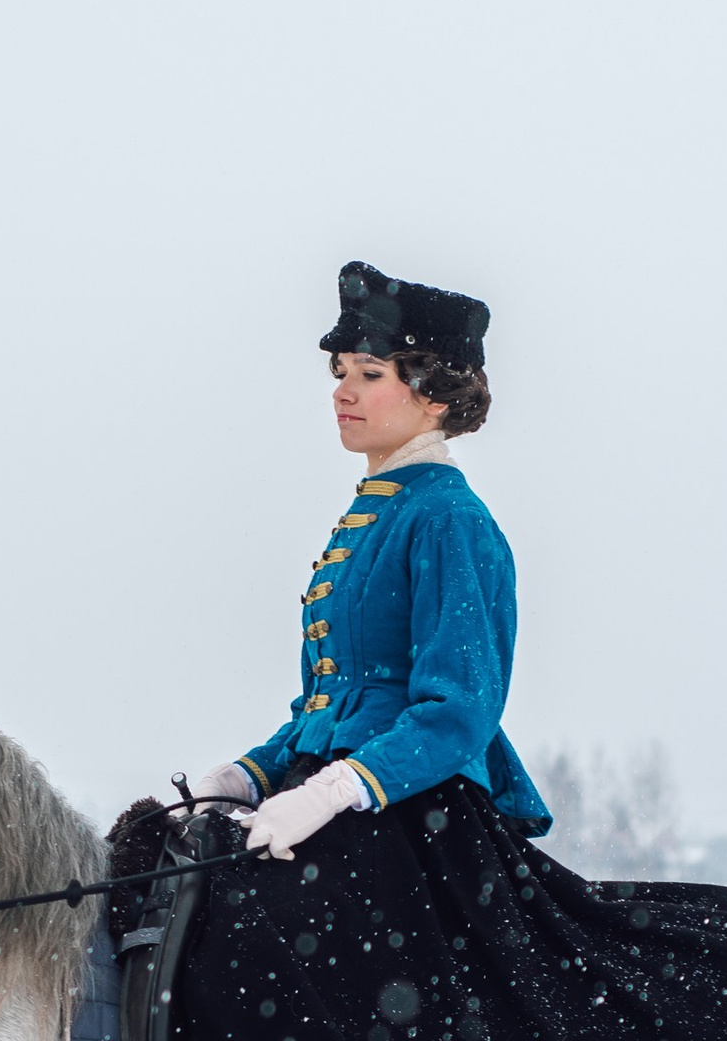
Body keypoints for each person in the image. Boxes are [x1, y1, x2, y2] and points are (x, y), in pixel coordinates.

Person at [189, 260, 548, 860]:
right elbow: (339, 705)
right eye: (339, 371)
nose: (342, 391)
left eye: (369, 372)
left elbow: (461, 709)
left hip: (411, 814)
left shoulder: (447, 518)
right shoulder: (384, 512)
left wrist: (338, 789)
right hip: (341, 797)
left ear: (433, 398)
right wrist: (250, 775)